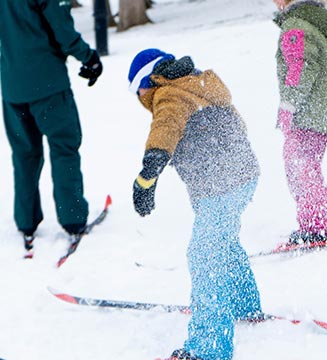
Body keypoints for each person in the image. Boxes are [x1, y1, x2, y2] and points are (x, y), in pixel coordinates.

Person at [127, 49, 262, 360]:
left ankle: (209, 348)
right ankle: (243, 305)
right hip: (240, 177)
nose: (141, 98)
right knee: (222, 242)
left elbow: (165, 130)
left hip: (220, 185)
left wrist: (147, 177)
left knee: (204, 253)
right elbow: (236, 125)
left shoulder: (168, 94)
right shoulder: (199, 82)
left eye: (138, 91)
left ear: (149, 81)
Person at [0, 0, 103, 251]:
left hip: (12, 87)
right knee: (64, 147)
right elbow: (62, 27)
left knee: (25, 154)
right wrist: (88, 57)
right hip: (48, 86)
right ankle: (73, 219)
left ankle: (26, 221)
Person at [273, 0, 327, 244]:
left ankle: (317, 226)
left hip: (305, 114)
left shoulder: (295, 27)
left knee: (301, 167)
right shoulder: (310, 25)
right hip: (316, 111)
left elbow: (299, 67)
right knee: (304, 166)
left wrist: (289, 103)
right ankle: (314, 222)